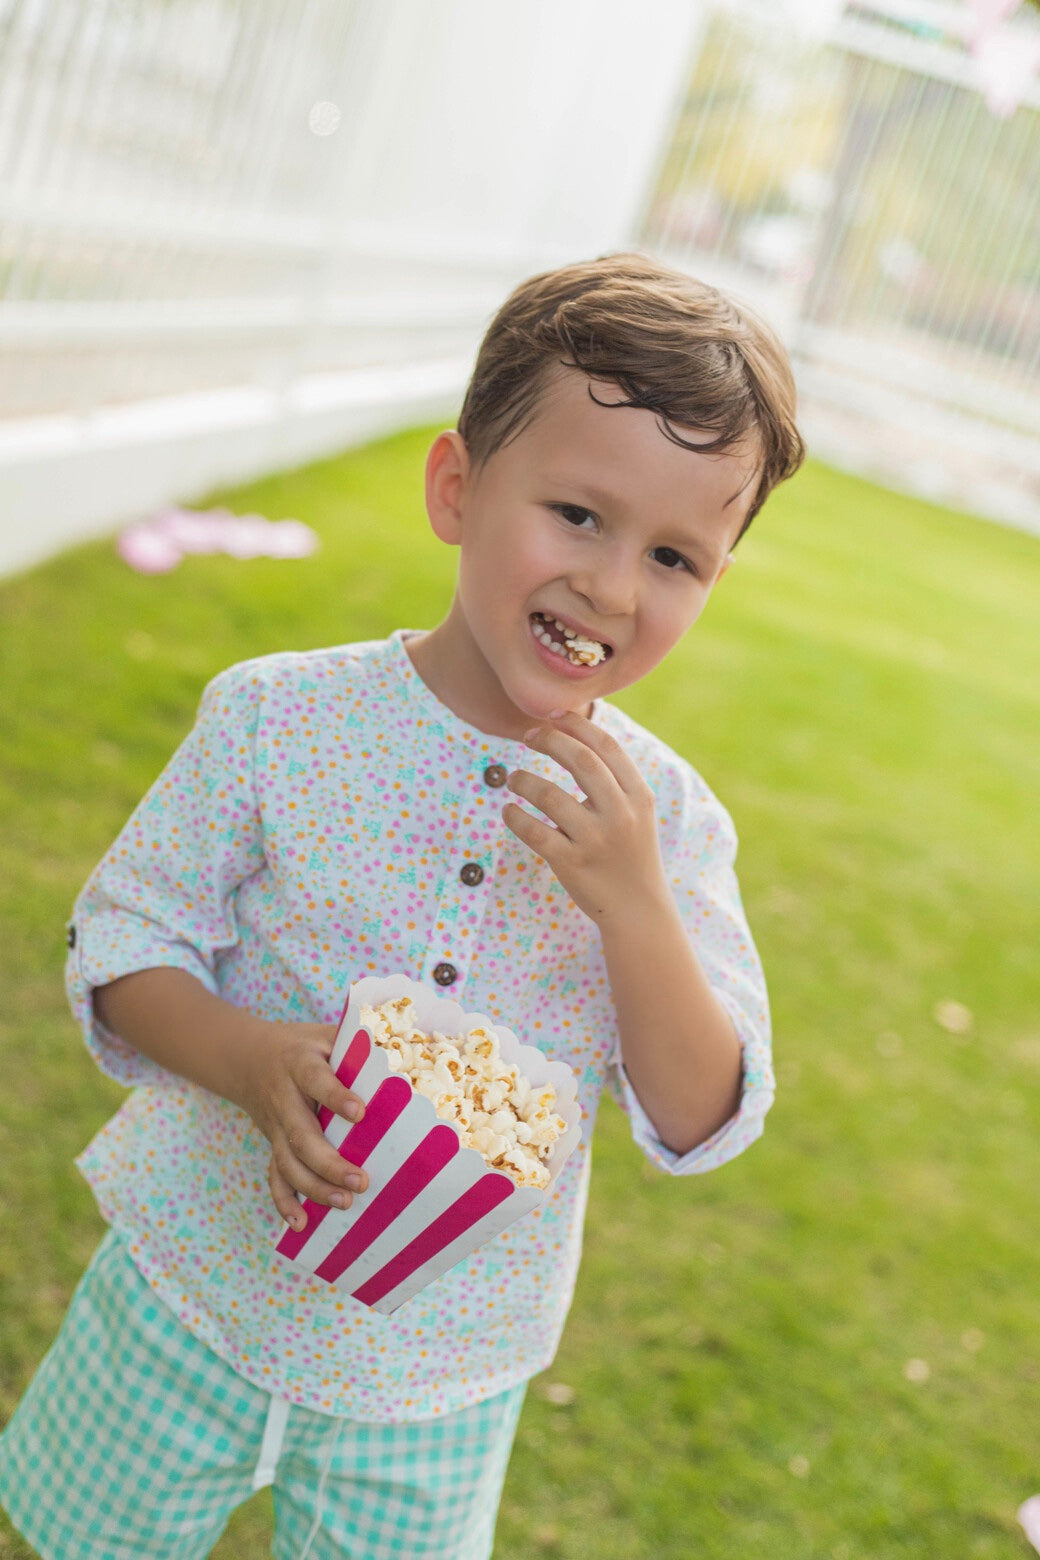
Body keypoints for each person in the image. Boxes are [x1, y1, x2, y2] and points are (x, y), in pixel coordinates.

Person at [0, 252, 804, 1560]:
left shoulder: (667, 827)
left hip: (440, 1373)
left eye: (674, 556)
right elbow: (122, 944)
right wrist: (250, 1062)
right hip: (188, 1290)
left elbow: (703, 1111)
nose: (613, 588)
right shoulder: (278, 717)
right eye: (578, 514)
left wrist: (636, 909)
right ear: (457, 488)